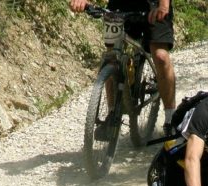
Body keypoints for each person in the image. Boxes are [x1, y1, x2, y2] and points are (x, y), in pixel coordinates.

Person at [69, 0, 177, 134]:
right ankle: (112, 114)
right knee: (111, 57)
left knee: (160, 56)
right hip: (120, 5)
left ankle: (171, 119)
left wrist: (164, 5)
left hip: (153, 5)